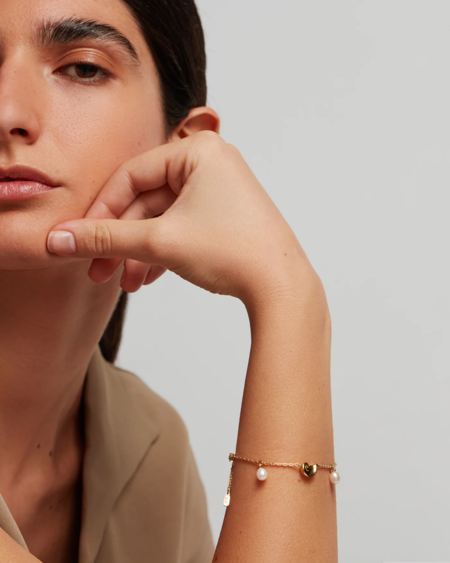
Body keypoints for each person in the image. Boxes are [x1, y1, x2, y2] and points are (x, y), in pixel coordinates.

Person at [0, 0, 338, 561]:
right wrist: (291, 298)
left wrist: (287, 296)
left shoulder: (149, 445)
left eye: (82, 68)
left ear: (182, 150)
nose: (8, 109)